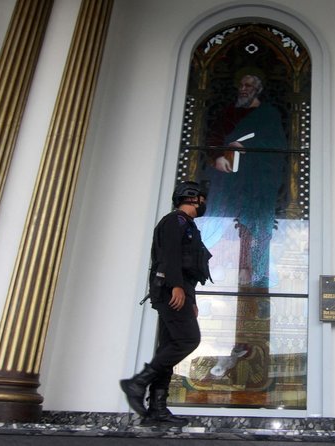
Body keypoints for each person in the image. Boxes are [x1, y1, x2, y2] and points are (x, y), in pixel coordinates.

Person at [120, 181, 211, 427]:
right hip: (171, 290)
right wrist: (176, 286)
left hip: (180, 290)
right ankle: (138, 383)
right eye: (202, 198)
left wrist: (189, 296)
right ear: (192, 198)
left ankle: (157, 409)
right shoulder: (175, 221)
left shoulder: (188, 224)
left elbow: (187, 266)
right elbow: (169, 255)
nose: (204, 202)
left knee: (168, 347)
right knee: (188, 340)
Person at [203, 73, 287, 289]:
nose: (243, 88)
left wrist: (248, 146)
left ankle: (255, 273)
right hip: (228, 184)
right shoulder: (228, 113)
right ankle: (223, 273)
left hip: (257, 184)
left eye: (248, 85)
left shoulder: (268, 114)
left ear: (258, 89)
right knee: (228, 227)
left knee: (253, 227)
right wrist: (218, 157)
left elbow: (276, 143)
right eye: (241, 84)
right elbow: (214, 138)